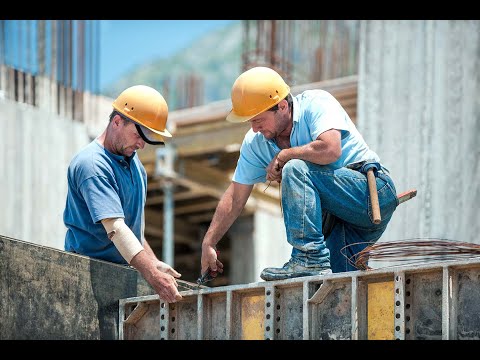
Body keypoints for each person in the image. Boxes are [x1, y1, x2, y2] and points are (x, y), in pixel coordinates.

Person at [200, 66, 399, 282]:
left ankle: (308, 258)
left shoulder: (316, 103)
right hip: (339, 221)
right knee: (341, 286)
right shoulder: (255, 143)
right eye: (251, 122)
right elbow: (235, 196)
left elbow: (331, 149)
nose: (255, 128)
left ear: (282, 106)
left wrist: (286, 155)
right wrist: (209, 242)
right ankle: (314, 263)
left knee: (295, 168)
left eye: (258, 120)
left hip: (371, 193)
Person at [63, 85, 183, 303]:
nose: (141, 144)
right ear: (117, 121)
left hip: (118, 276)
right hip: (86, 278)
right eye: (139, 135)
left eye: (147, 138)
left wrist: (153, 262)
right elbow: (116, 228)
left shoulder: (135, 167)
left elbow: (130, 230)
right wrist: (153, 276)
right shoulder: (92, 165)